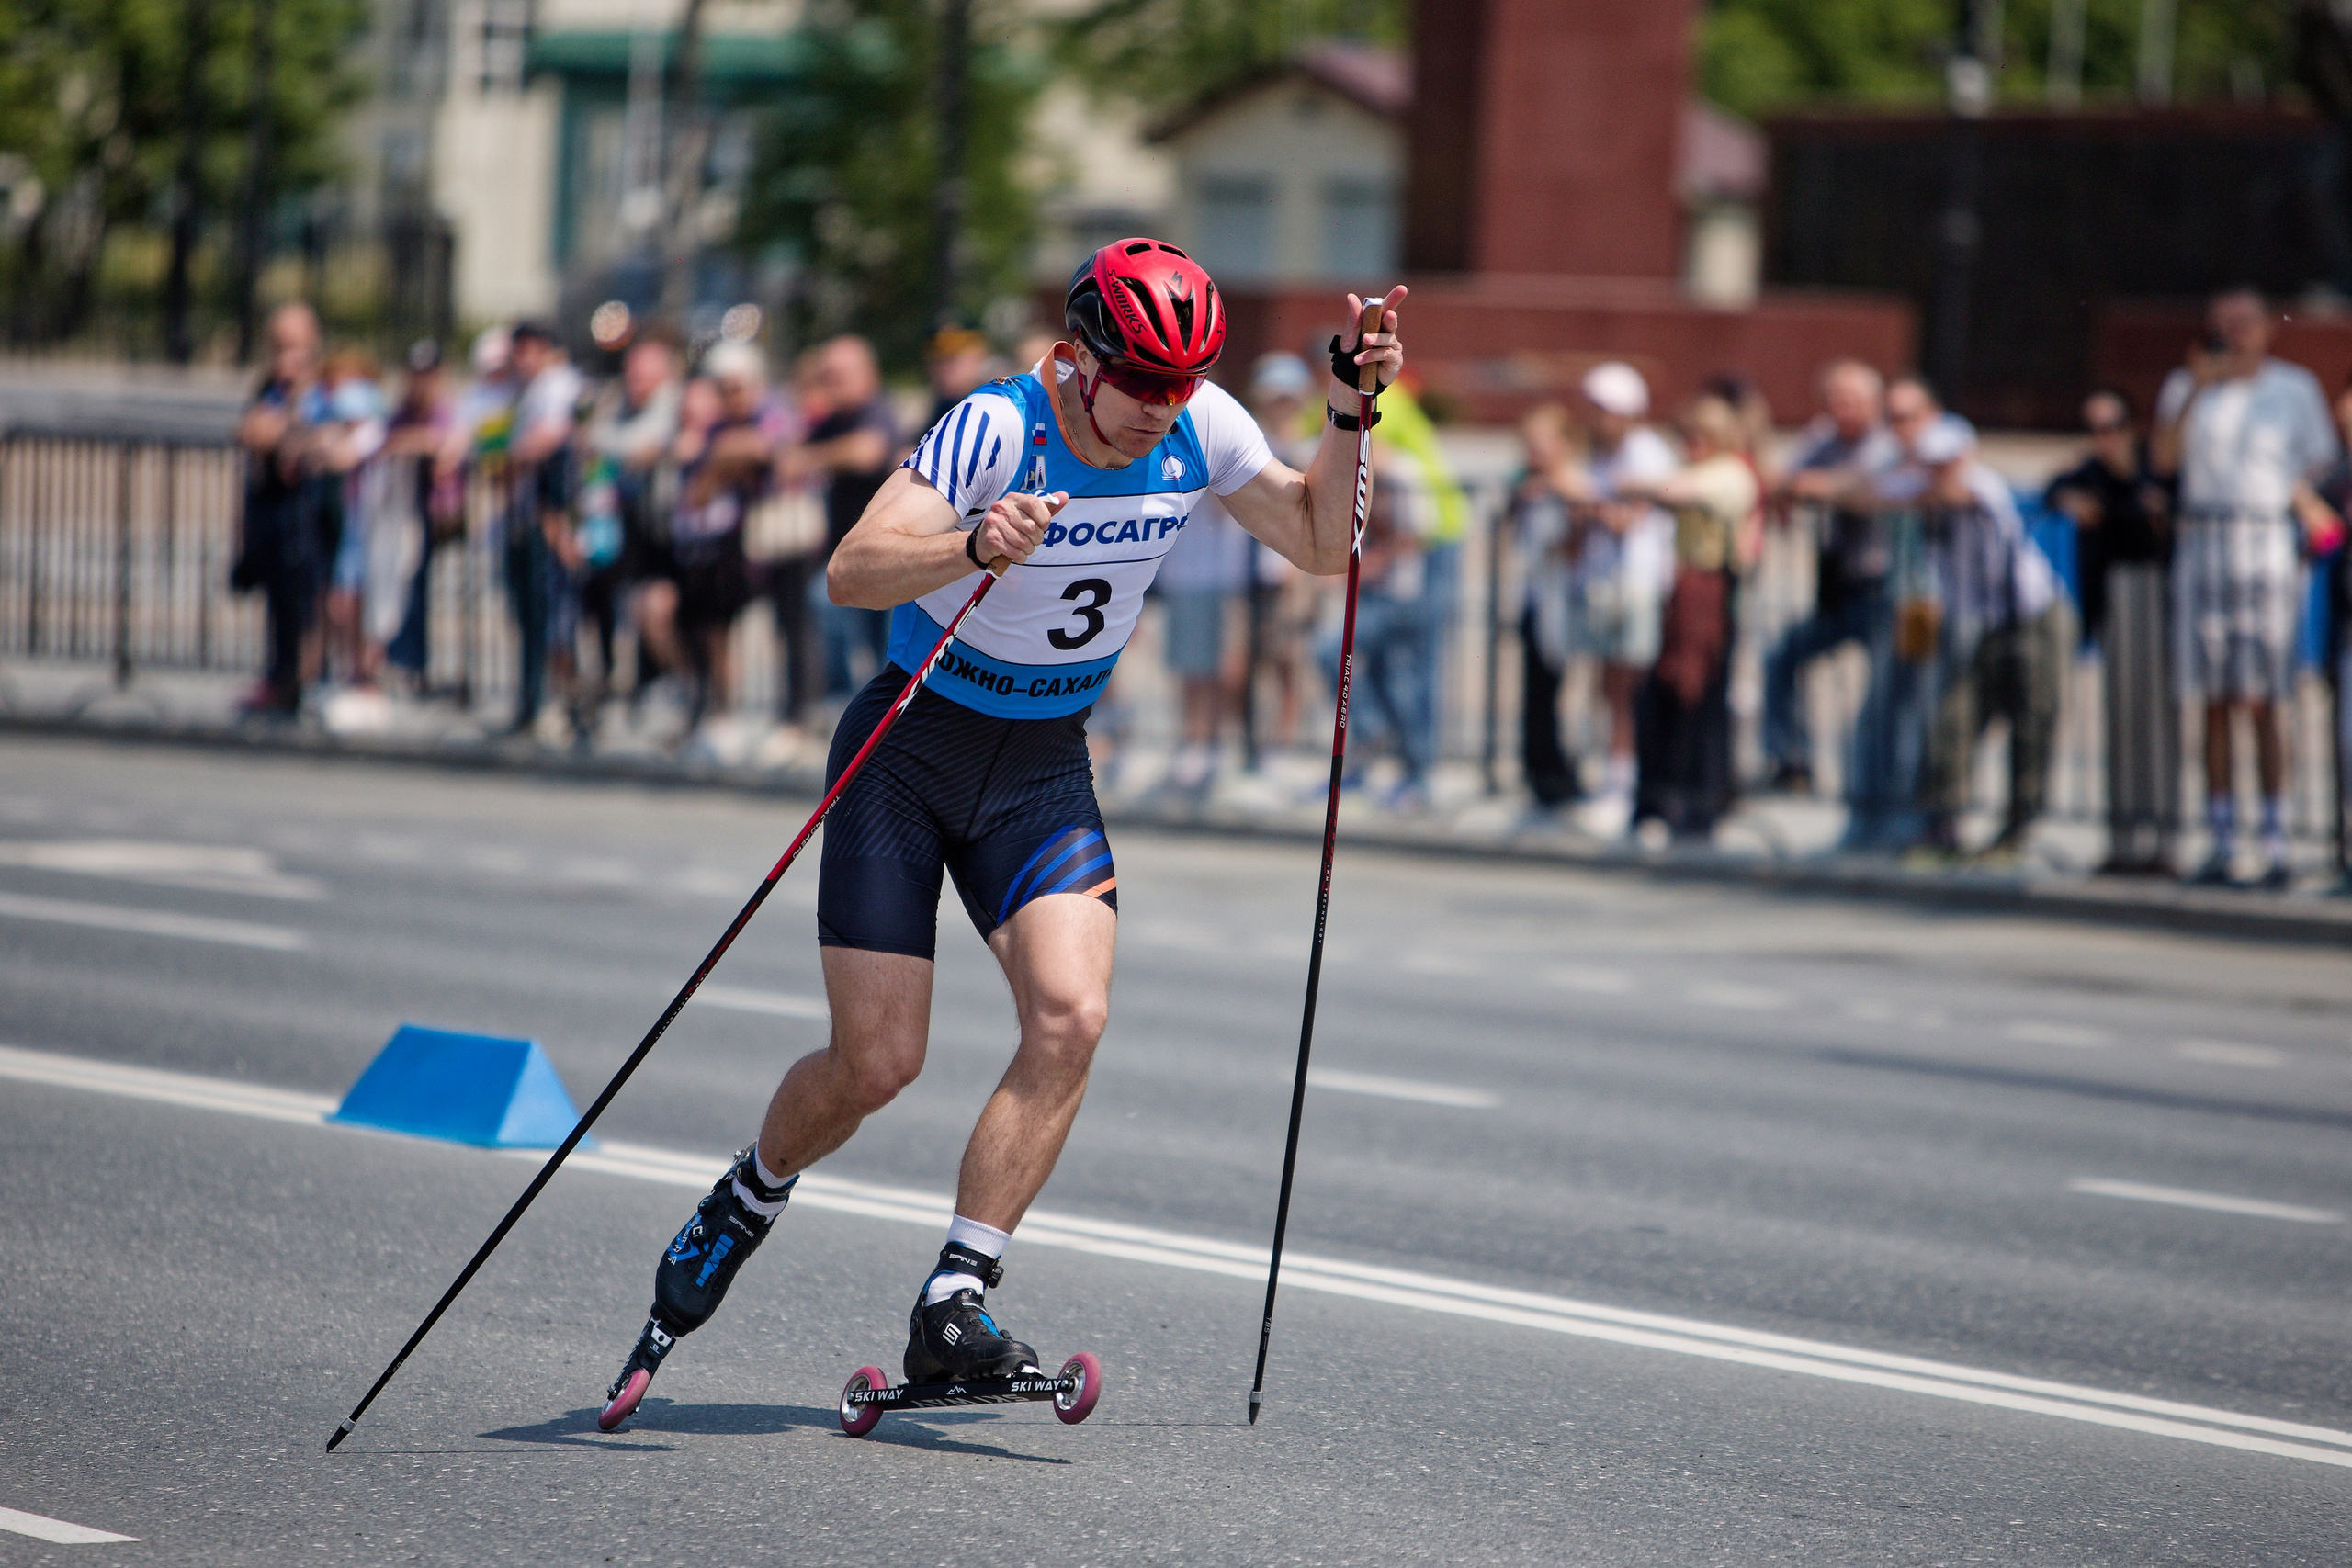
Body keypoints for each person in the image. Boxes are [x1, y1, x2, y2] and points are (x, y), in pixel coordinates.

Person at [595, 243, 1408, 1427]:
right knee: (878, 1062)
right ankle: (748, 1193)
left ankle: (955, 1298)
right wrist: (970, 545)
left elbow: (1321, 539)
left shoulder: (1198, 424)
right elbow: (851, 570)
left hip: (1040, 771)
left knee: (1072, 1015)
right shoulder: (998, 427)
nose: (1161, 411)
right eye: (1141, 381)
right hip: (909, 752)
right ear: (1080, 360)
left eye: (1184, 384)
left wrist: (1348, 407)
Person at [2153, 287, 2340, 888]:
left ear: (2267, 327)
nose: (2235, 334)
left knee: (2266, 699)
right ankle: (2221, 834)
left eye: (2246, 323)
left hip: (2264, 560)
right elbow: (2164, 460)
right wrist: (2197, 388)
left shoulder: (2294, 388)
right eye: (2223, 324)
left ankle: (2277, 837)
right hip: (2203, 555)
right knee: (2210, 700)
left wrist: (2295, 505)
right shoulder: (2188, 387)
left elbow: (2319, 465)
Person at [1895, 420, 2075, 862]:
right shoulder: (1924, 498)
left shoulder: (1984, 488)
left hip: (2034, 618)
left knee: (2031, 722)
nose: (1939, 473)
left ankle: (2018, 830)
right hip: (1987, 624)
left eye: (1947, 463)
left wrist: (1923, 490)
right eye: (1932, 464)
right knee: (1956, 718)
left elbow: (1966, 495)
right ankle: (1943, 827)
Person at [2047, 389, 2177, 873]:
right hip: (2113, 597)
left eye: (2112, 427)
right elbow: (2051, 488)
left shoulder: (2152, 467)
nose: (2104, 439)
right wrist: (2070, 498)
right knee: (2121, 721)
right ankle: (2123, 838)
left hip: (2152, 593)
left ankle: (2165, 839)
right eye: (2094, 429)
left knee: (2158, 724)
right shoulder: (2089, 473)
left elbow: (2166, 504)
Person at [1760, 361, 1900, 798]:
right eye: (1834, 399)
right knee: (1783, 656)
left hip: (1885, 588)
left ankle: (1875, 785)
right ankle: (1792, 761)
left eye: (1851, 400)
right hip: (1838, 584)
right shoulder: (1823, 437)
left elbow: (1858, 487)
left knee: (1883, 690)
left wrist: (1814, 488)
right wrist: (1797, 488)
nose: (1841, 408)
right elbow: (1782, 478)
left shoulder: (1888, 443)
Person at [1625, 395, 1760, 840]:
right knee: (1668, 691)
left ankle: (1700, 802)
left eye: (1697, 436)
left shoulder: (1730, 473)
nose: (1688, 444)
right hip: (1683, 592)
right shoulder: (1703, 471)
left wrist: (1641, 486)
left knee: (1698, 694)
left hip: (1711, 591)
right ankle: (1666, 798)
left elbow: (1671, 491)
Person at [1562, 362, 1677, 826]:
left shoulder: (1646, 454)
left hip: (1634, 585)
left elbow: (1629, 519)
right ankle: (1612, 779)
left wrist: (1584, 497)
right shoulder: (1596, 452)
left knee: (1625, 690)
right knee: (1605, 688)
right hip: (1600, 583)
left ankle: (1624, 788)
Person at [232, 302, 333, 716]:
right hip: (271, 514)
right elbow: (251, 430)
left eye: (293, 347)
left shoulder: (325, 390)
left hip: (314, 514)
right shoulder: (268, 388)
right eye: (277, 346)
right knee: (279, 602)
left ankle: (309, 682)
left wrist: (290, 429)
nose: (284, 357)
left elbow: (329, 441)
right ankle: (281, 679)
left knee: (313, 601)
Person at [785, 334, 899, 695]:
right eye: (827, 375)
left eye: (840, 375)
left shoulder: (877, 409)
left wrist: (812, 457)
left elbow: (869, 450)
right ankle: (847, 701)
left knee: (882, 645)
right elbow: (788, 455)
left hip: (887, 552)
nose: (833, 383)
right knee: (828, 607)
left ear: (867, 374)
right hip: (848, 550)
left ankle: (874, 711)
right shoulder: (834, 420)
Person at [579, 327, 684, 714]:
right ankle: (632, 687)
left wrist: (602, 439)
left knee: (657, 610)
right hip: (633, 527)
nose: (633, 383)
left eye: (642, 376)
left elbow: (641, 444)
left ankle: (679, 686)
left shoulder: (673, 405)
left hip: (673, 532)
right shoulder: (622, 404)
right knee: (620, 604)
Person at [503, 321, 585, 739]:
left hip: (554, 517)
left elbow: (549, 441)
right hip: (535, 515)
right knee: (536, 619)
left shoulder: (557, 385)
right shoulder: (529, 390)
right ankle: (537, 702)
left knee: (557, 619)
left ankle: (572, 706)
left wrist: (508, 458)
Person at [1238, 352, 1318, 764]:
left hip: (1292, 569)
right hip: (1252, 568)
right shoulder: (1253, 443)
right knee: (1244, 662)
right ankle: (1254, 745)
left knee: (1286, 659)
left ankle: (1280, 746)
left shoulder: (1309, 446)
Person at [1511, 401, 1584, 816]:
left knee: (1556, 691)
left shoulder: (1568, 483)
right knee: (1535, 691)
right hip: (1536, 597)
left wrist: (1552, 486)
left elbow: (1578, 531)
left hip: (1563, 599)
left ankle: (1559, 773)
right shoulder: (1527, 486)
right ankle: (1540, 773)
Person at [381, 339, 461, 690]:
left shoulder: (446, 410)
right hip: (403, 513)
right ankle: (404, 662)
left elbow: (444, 443)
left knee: (423, 590)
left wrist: (418, 442)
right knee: (402, 587)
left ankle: (417, 665)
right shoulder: (402, 412)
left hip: (440, 515)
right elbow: (386, 442)